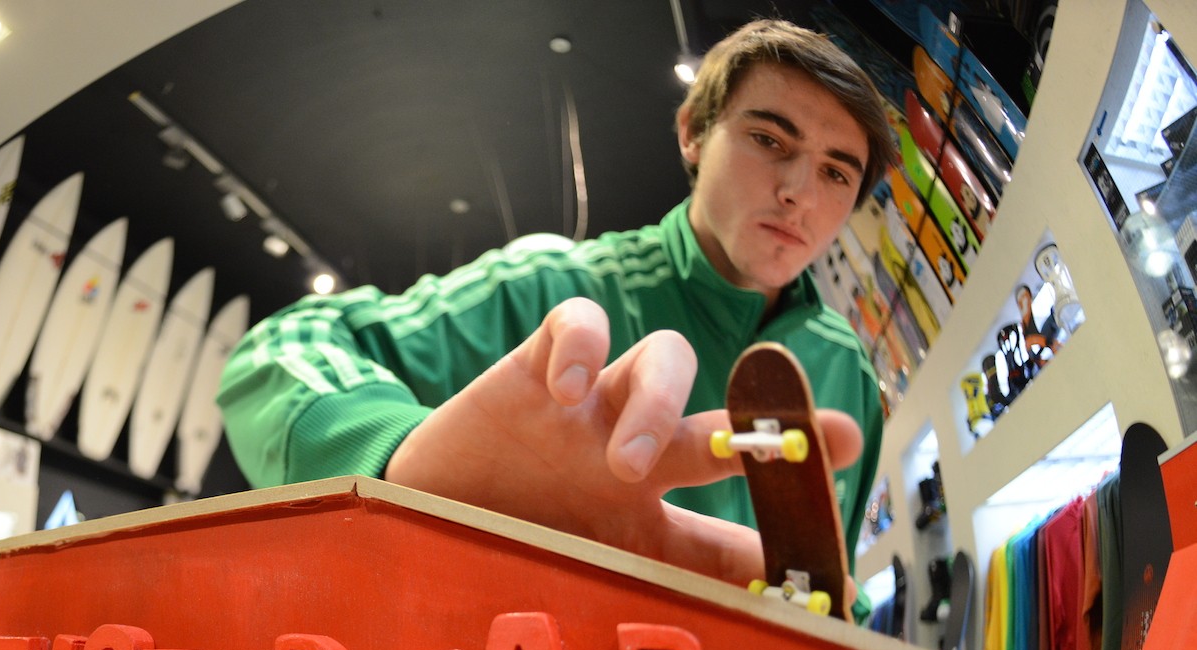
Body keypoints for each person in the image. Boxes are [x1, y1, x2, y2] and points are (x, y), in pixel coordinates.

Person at [217, 19, 898, 599]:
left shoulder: (847, 374)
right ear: (694, 132)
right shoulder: (557, 289)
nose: (799, 193)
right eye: (770, 140)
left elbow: (831, 580)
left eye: (836, 172)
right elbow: (284, 349)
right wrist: (398, 459)